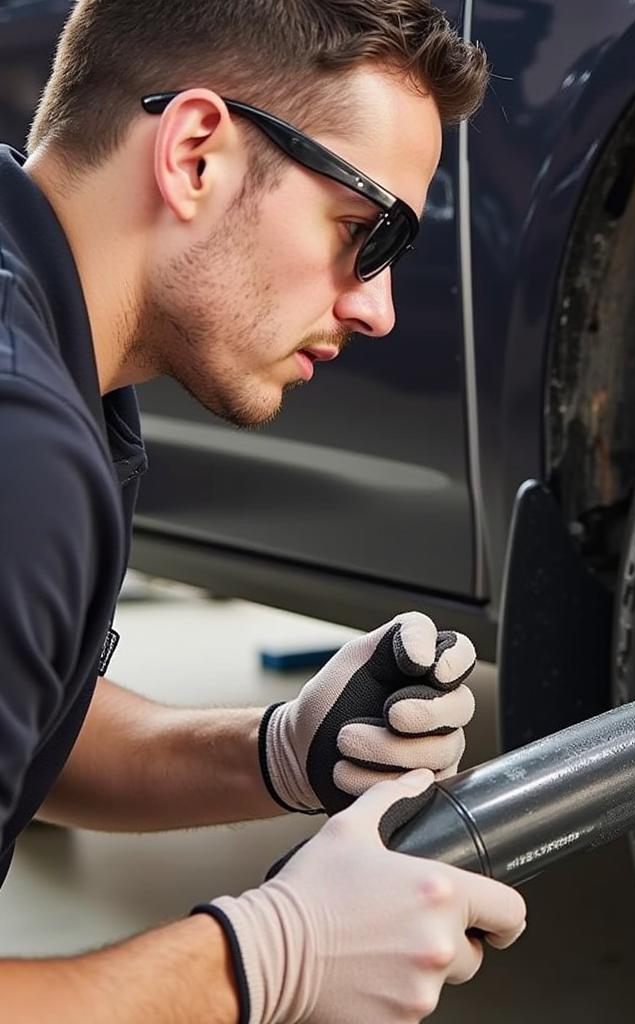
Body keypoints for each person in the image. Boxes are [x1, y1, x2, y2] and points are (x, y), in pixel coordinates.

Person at [0, 1, 527, 1021]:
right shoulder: (21, 450)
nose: (376, 305)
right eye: (362, 232)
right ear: (197, 153)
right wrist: (262, 956)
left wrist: (279, 747)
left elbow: (30, 727)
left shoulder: (48, 347)